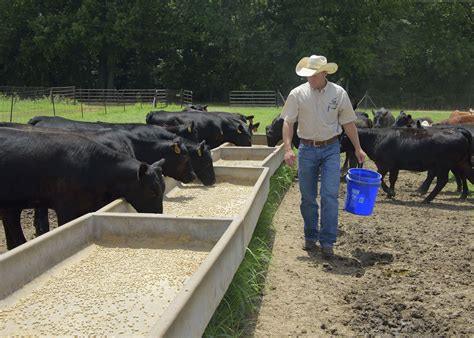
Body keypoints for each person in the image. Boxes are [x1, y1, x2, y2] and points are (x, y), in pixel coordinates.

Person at [281, 54, 366, 259]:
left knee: (329, 195)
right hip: (307, 149)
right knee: (308, 197)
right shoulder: (297, 94)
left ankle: (327, 241)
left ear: (325, 73)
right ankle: (310, 236)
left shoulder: (338, 93)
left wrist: (358, 148)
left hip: (331, 148)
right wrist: (287, 149)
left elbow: (348, 123)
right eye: (308, 75)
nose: (310, 78)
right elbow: (288, 122)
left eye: (314, 75)